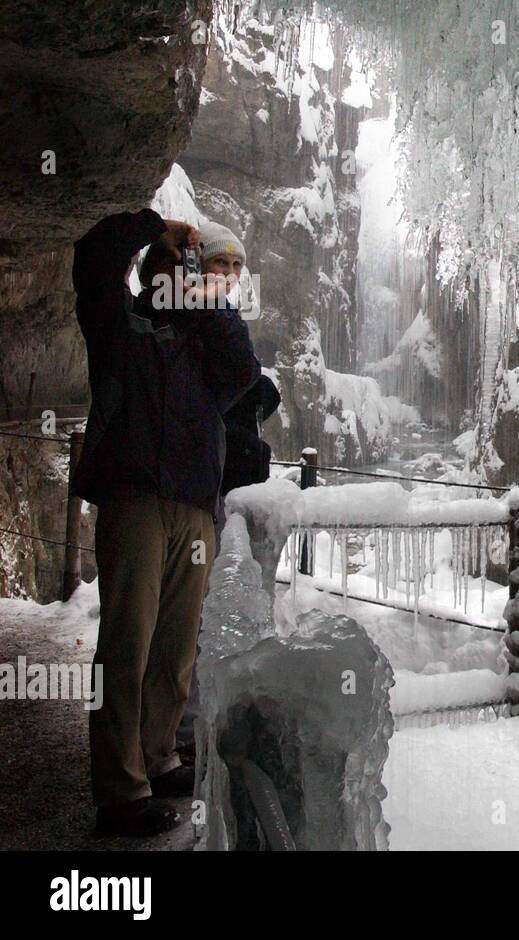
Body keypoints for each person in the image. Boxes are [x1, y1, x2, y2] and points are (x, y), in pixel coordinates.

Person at [72, 210, 259, 837]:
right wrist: (153, 228)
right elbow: (94, 261)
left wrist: (201, 290)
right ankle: (120, 789)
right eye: (170, 270)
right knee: (127, 642)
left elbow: (242, 370)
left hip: (193, 505)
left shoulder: (207, 346)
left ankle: (157, 757)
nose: (177, 279)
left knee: (175, 648)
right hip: (136, 500)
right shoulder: (120, 326)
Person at [174, 369, 280, 761]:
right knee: (203, 624)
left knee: (202, 623)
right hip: (216, 518)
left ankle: (192, 728)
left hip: (214, 512)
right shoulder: (242, 426)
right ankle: (190, 731)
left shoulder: (222, 401)